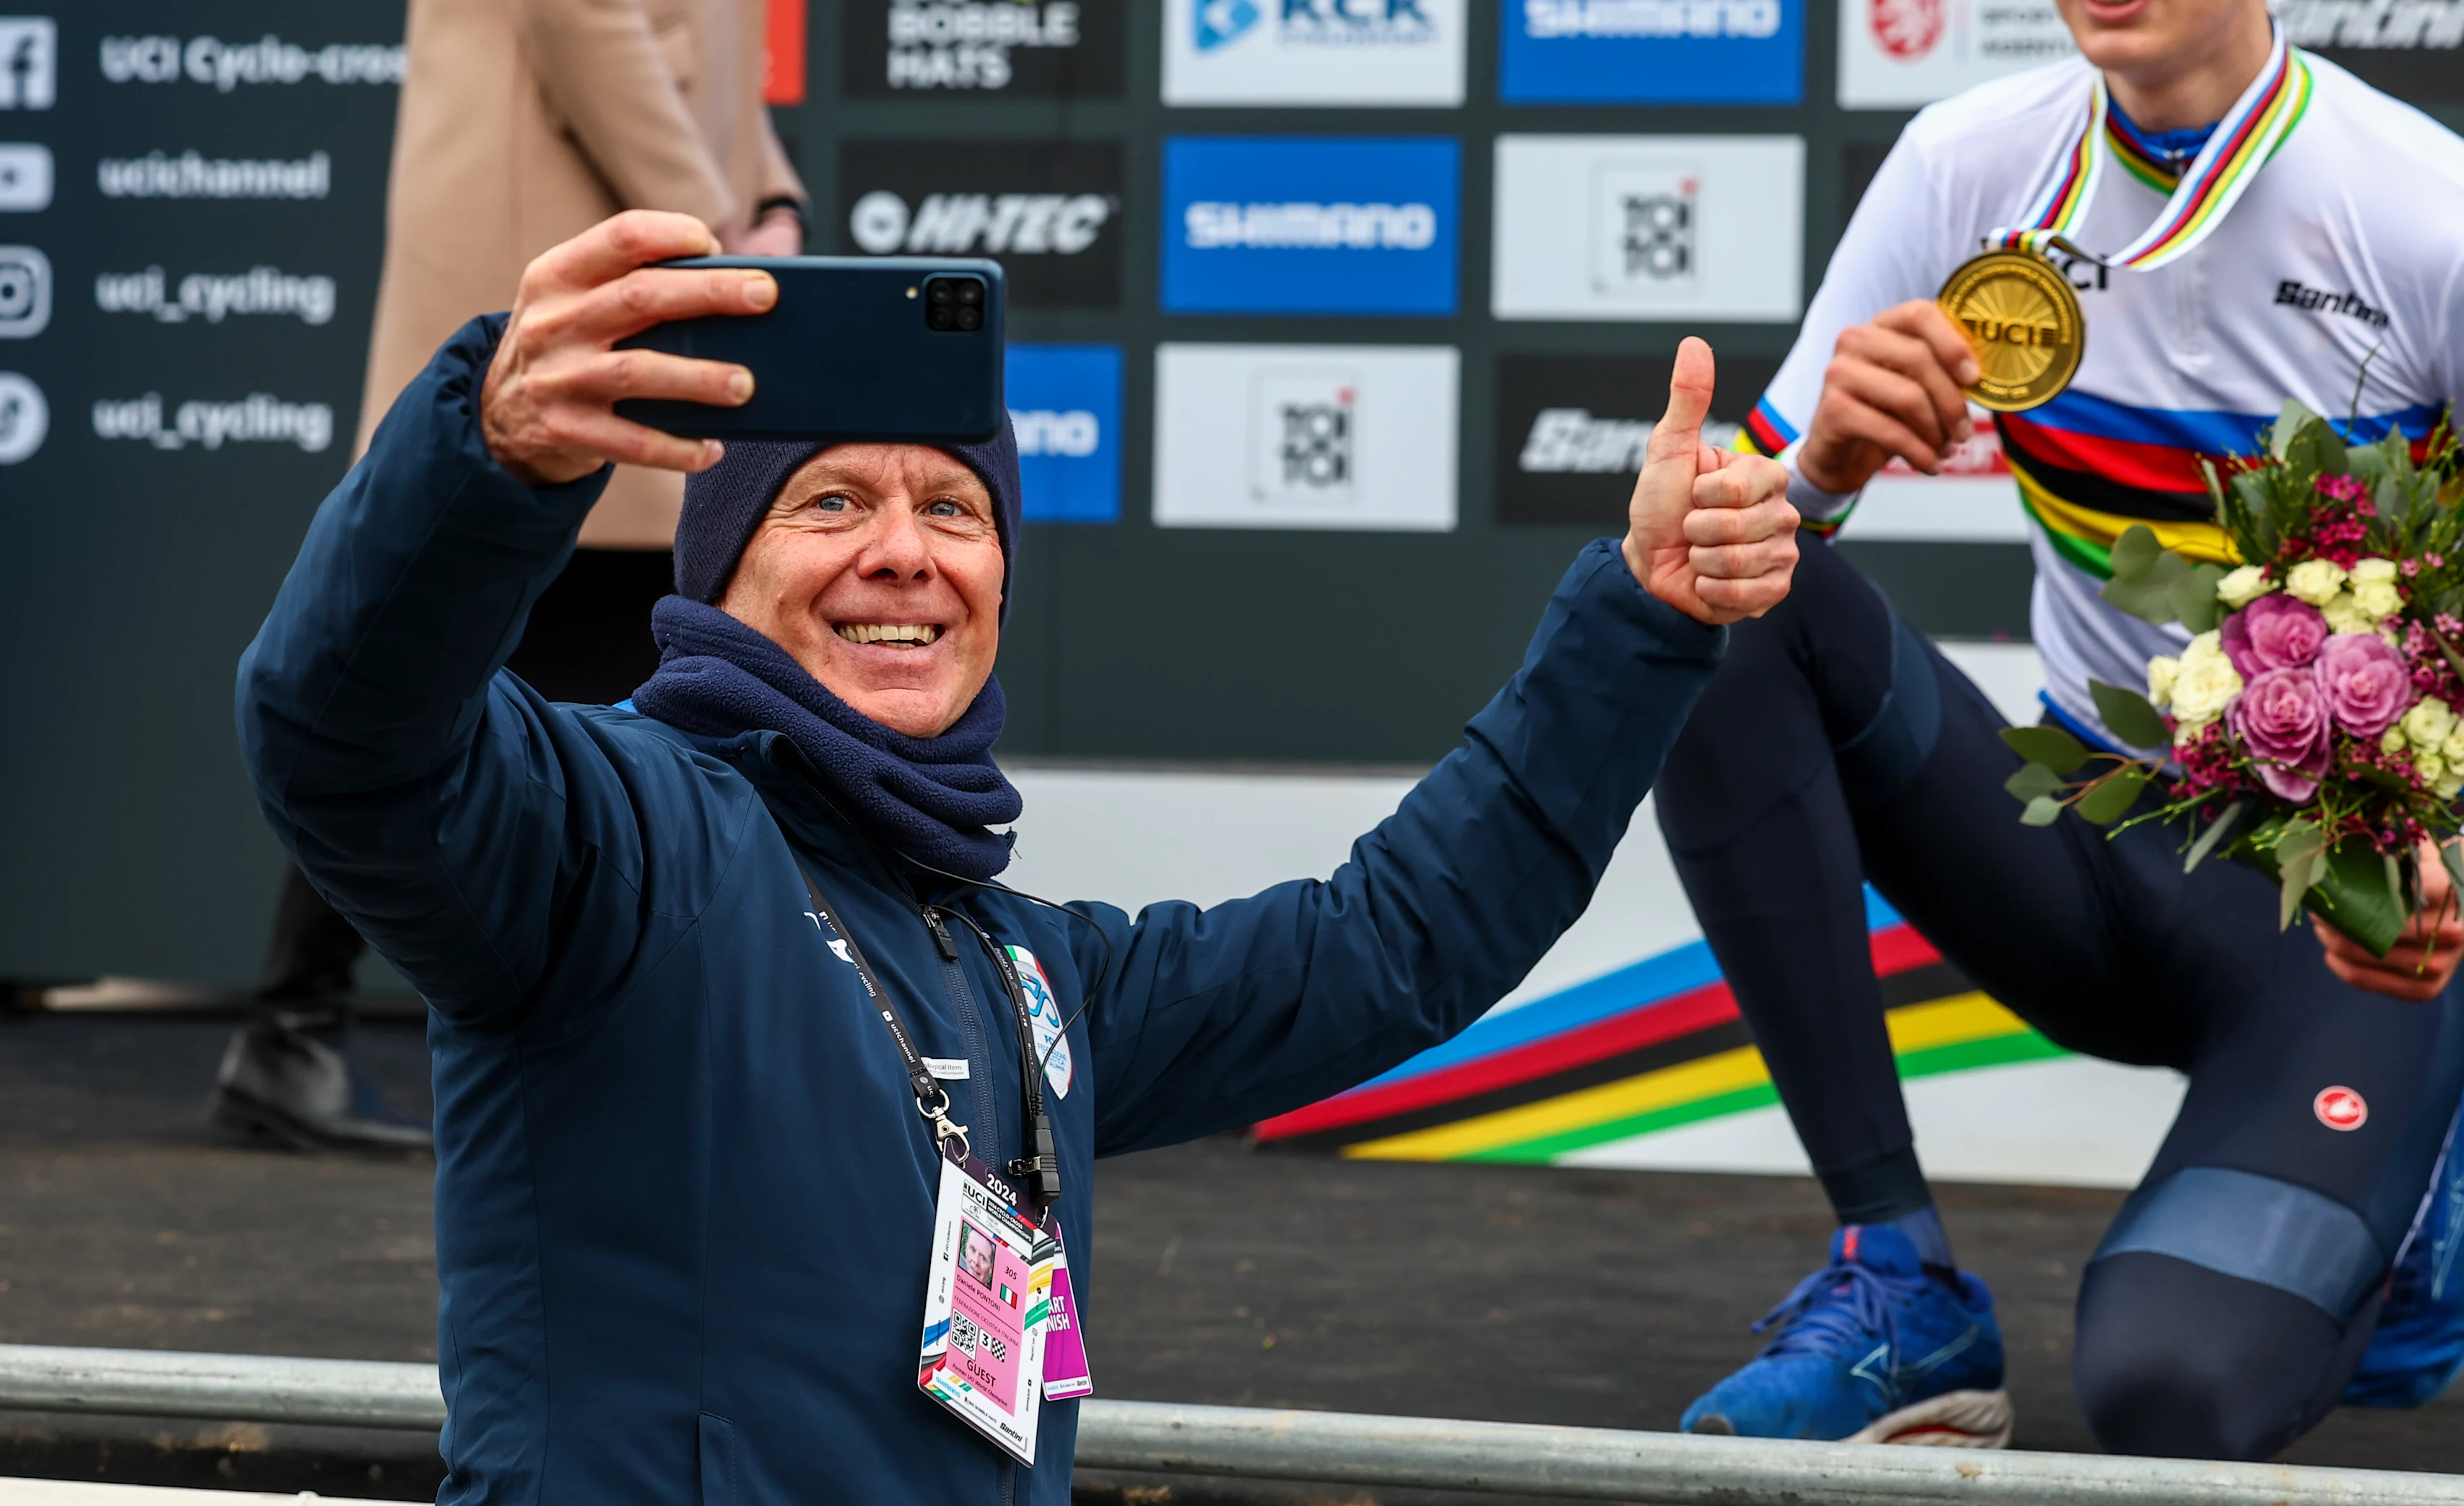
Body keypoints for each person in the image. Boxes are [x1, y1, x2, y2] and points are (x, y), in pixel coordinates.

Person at [235, 210, 1800, 1502]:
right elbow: (340, 736)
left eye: (956, 506)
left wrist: (1641, 618)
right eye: (830, 499)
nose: (904, 550)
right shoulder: (613, 836)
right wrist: (487, 452)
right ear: (723, 571)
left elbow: (1391, 943)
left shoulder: (1013, 958)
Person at [1659, 0, 2464, 1461]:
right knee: (1720, 609)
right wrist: (1817, 464)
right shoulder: (1966, 165)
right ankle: (1901, 1278)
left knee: (2162, 1397)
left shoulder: (2451, 226)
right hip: (2080, 849)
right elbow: (1718, 528)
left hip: (2350, 919)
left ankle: (2412, 1194)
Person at [212, 0, 807, 1148]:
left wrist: (771, 192)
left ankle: (310, 1023)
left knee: (564, 613)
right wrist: (708, 220)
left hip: (639, 211)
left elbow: (698, 1)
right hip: (554, 220)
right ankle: (343, 1024)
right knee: (525, 602)